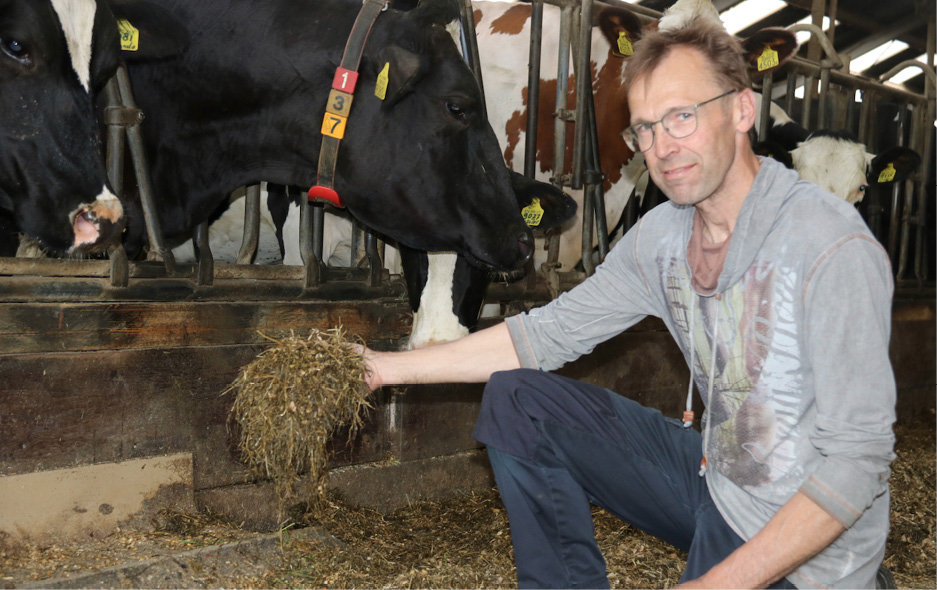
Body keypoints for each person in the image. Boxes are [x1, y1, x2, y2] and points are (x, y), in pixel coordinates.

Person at [361, 18, 896, 590]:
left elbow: (856, 463)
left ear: (742, 110)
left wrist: (717, 583)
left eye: (682, 116)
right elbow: (542, 336)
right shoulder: (662, 236)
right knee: (519, 400)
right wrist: (382, 367)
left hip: (816, 555)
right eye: (645, 128)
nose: (663, 147)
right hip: (717, 487)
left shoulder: (830, 244)